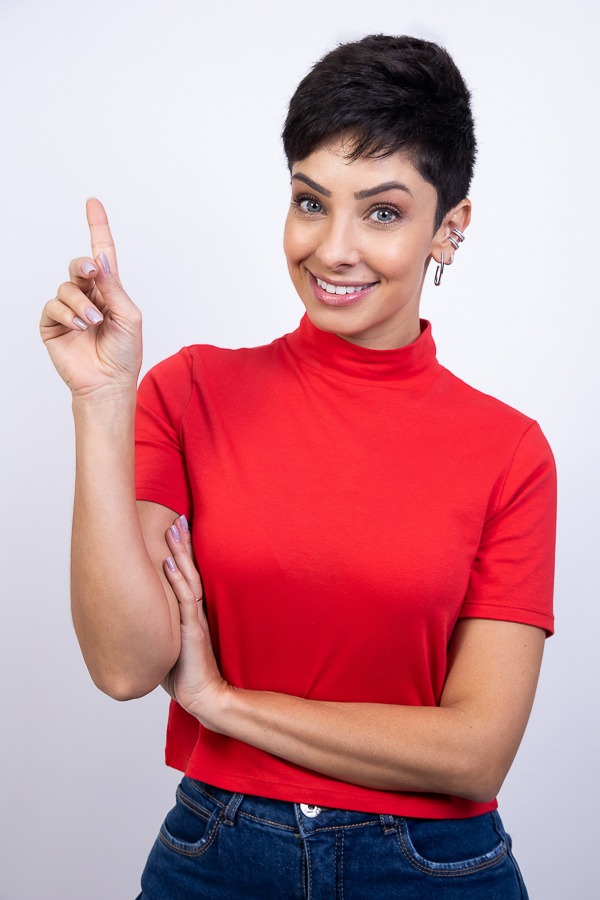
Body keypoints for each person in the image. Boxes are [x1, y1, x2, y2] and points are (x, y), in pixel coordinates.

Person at [40, 34, 556, 899]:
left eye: (383, 212)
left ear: (448, 228)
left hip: (433, 868)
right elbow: (127, 667)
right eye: (311, 202)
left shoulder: (508, 451)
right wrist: (101, 402)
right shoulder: (190, 392)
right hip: (217, 854)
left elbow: (475, 752)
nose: (334, 248)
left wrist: (225, 705)